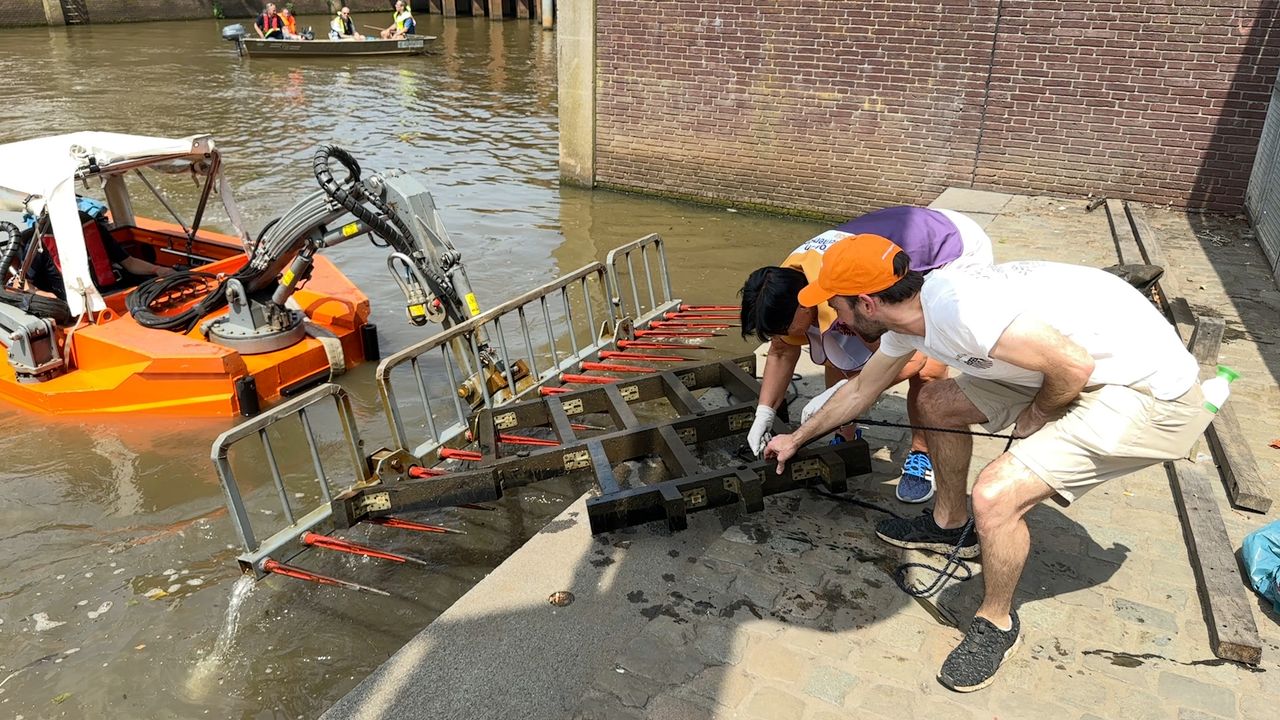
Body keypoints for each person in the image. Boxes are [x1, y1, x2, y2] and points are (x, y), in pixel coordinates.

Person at [764, 235, 1212, 692]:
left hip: (1146, 393)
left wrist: (1036, 416)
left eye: (836, 306)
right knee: (937, 403)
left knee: (995, 495)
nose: (834, 319)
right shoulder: (910, 319)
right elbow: (860, 391)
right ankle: (948, 523)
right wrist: (796, 438)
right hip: (1062, 363)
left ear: (867, 302)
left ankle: (996, 622)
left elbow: (1073, 368)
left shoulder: (963, 312)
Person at [740, 206, 993, 503]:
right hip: (886, 246)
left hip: (948, 250)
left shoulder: (851, 291)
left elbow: (913, 360)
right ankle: (845, 437)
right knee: (838, 346)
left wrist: (843, 391)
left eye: (785, 327)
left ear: (805, 306)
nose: (783, 337)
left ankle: (922, 452)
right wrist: (765, 412)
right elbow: (782, 350)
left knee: (929, 369)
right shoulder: (785, 280)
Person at [24, 209, 174, 301]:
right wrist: (44, 296)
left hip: (115, 295)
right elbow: (24, 284)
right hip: (76, 309)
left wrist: (157, 270)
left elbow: (130, 263)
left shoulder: (92, 228)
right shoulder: (39, 243)